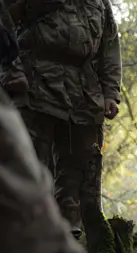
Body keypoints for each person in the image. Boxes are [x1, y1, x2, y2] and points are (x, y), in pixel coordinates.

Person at [0, 0, 122, 240]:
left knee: (80, 174)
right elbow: (3, 24)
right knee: (30, 168)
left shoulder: (99, 3)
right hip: (35, 84)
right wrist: (11, 72)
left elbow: (110, 45)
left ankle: (73, 245)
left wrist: (111, 93)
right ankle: (26, 246)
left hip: (84, 93)